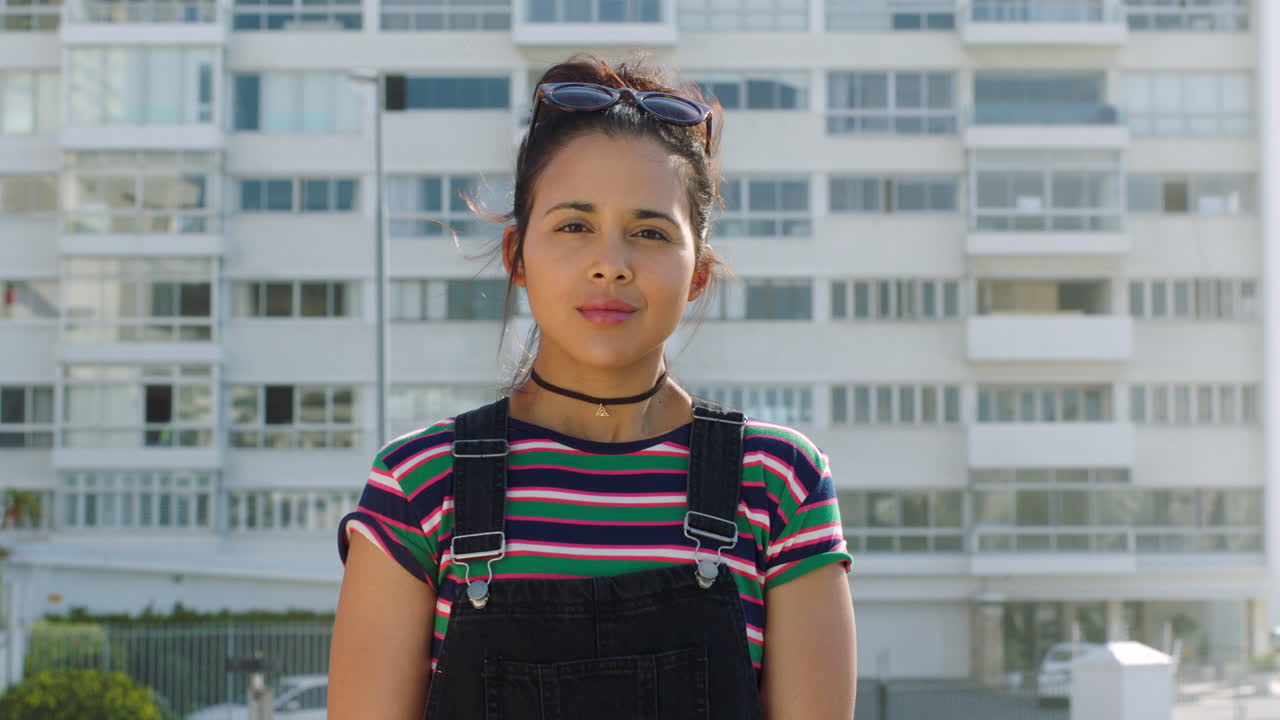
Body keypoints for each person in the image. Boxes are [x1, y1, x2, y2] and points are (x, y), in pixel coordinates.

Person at [329, 52, 857, 719]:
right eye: (574, 226)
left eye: (649, 232)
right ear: (517, 256)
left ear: (699, 272)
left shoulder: (780, 483)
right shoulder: (419, 485)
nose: (611, 265)